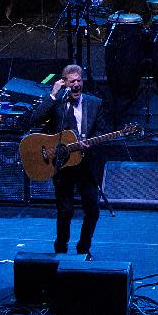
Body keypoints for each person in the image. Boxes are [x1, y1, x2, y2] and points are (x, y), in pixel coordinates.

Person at [29, 64, 107, 256]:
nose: (76, 84)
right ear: (64, 83)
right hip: (63, 165)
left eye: (79, 81)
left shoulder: (94, 103)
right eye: (72, 81)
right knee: (65, 211)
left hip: (86, 165)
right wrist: (53, 94)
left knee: (93, 209)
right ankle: (61, 250)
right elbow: (34, 119)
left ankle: (83, 249)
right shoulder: (57, 104)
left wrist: (91, 143)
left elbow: (101, 130)